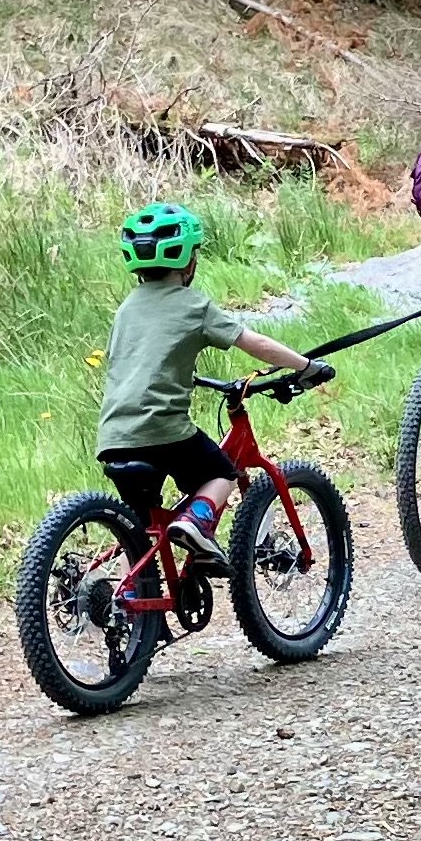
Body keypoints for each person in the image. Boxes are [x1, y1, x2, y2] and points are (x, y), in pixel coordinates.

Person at [97, 201, 329, 574]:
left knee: (141, 536)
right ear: (188, 260)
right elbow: (255, 343)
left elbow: (133, 360)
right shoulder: (194, 305)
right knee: (220, 473)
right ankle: (196, 523)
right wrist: (306, 366)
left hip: (113, 434)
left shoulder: (127, 308)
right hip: (163, 430)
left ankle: (127, 610)